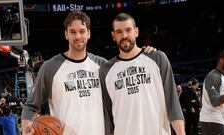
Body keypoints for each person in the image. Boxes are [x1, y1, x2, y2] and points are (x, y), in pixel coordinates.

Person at [21, 11, 155, 135]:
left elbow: (125, 84)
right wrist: (27, 129)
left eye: (82, 31)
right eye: (73, 32)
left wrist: (144, 54)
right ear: (66, 34)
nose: (78, 36)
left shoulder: (103, 65)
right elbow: (31, 106)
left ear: (88, 33)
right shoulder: (50, 67)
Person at [99, 12, 185, 135]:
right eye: (119, 32)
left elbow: (173, 104)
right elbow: (108, 119)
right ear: (113, 36)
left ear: (136, 32)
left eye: (128, 30)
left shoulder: (158, 58)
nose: (124, 35)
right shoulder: (105, 70)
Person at [199, 50, 224, 135]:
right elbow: (215, 102)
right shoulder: (213, 77)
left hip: (217, 119)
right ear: (221, 60)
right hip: (211, 119)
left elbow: (221, 102)